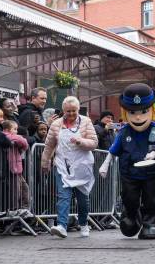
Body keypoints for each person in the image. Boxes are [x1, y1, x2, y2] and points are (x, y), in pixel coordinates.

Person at [98, 83, 155, 240]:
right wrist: (104, 165)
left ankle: (148, 225)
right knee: (129, 197)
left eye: (143, 111)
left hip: (150, 172)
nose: (138, 117)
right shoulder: (124, 132)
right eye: (133, 112)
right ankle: (131, 216)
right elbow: (114, 150)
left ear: (152, 110)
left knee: (150, 199)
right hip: (129, 172)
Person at [41, 96, 97, 239]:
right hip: (62, 165)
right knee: (63, 196)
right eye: (68, 111)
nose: (71, 114)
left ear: (78, 109)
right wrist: (45, 162)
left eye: (74, 111)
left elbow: (94, 143)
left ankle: (84, 224)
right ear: (63, 110)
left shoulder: (86, 121)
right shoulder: (56, 125)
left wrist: (81, 141)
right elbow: (49, 145)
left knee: (82, 199)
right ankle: (62, 226)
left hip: (81, 166)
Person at [2, 120, 30, 212]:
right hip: (12, 169)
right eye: (14, 129)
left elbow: (24, 144)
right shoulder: (6, 135)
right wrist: (20, 139)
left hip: (17, 169)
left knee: (25, 189)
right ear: (7, 130)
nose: (17, 132)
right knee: (15, 193)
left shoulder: (13, 137)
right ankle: (15, 213)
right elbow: (22, 140)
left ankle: (24, 211)